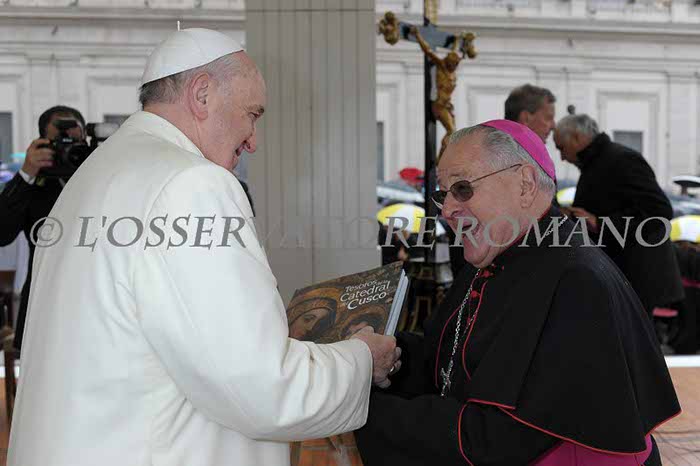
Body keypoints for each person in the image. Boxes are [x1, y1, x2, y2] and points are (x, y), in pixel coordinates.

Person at [8, 28, 400, 466]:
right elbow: (260, 389)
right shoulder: (191, 184)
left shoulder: (95, 172)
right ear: (202, 94)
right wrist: (361, 360)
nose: (253, 140)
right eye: (252, 114)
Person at [355, 120, 680, 465]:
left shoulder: (576, 281)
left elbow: (499, 440)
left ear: (525, 184)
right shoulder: (497, 256)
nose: (446, 210)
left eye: (462, 188)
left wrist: (359, 412)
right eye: (443, 193)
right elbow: (449, 362)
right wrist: (388, 356)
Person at [553, 114, 684, 319]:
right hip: (622, 277)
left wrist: (600, 223)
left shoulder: (622, 159)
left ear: (577, 138)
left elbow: (659, 211)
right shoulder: (597, 162)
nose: (562, 157)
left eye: (561, 148)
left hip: (637, 278)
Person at [0, 105, 86, 351]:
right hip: (44, 302)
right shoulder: (33, 185)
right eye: (59, 143)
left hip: (95, 300)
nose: (68, 149)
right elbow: (2, 233)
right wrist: (26, 173)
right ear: (42, 143)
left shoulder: (103, 175)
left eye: (75, 143)